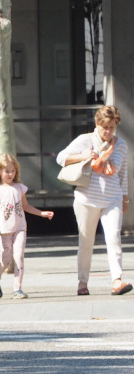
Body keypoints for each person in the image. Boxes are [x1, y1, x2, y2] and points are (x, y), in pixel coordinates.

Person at [56, 104, 130, 296]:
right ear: (97, 124)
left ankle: (117, 280)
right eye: (105, 127)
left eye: (112, 127)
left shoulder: (121, 145)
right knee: (86, 242)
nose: (108, 131)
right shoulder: (85, 140)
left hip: (112, 199)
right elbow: (61, 158)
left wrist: (124, 198)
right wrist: (85, 156)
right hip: (86, 199)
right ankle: (82, 282)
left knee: (114, 238)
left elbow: (123, 175)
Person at [0, 153, 54, 299]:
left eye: (12, 171)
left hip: (20, 227)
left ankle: (17, 288)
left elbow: (25, 206)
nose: (10, 174)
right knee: (6, 259)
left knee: (19, 256)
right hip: (4, 230)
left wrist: (41, 213)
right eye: (6, 171)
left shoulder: (20, 188)